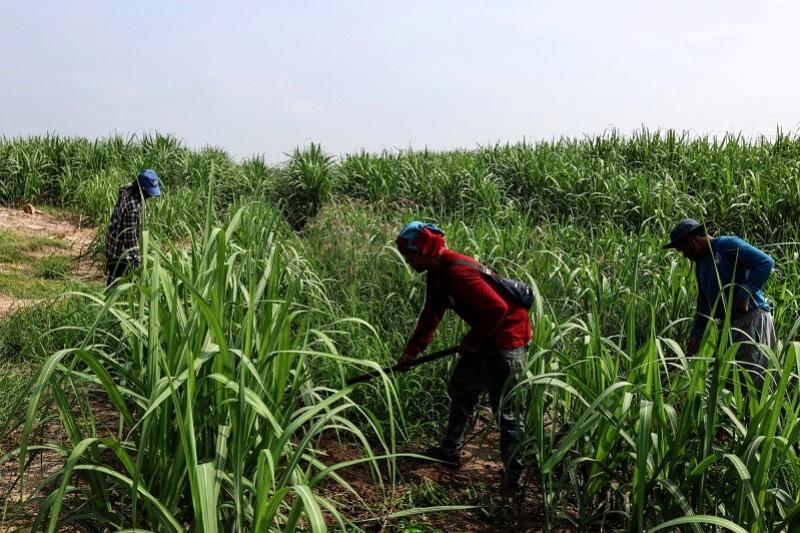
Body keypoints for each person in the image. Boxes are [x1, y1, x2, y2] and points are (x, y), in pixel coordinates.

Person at [395, 221, 532, 491]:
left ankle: (515, 481)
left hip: (507, 340)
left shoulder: (458, 272)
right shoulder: (437, 273)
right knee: (462, 386)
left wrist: (471, 342)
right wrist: (412, 352)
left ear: (423, 250)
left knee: (508, 412)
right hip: (486, 336)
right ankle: (450, 449)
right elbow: (432, 312)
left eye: (409, 254)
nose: (407, 260)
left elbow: (497, 309)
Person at [663, 218, 775, 391]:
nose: (684, 255)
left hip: (752, 319)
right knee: (731, 384)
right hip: (731, 327)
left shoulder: (726, 245)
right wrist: (696, 335)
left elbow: (765, 263)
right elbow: (703, 304)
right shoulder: (700, 266)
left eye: (682, 249)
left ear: (692, 240)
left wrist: (743, 295)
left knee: (753, 382)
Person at [105, 169, 161, 285]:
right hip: (119, 251)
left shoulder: (128, 188)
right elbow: (130, 240)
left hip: (111, 238)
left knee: (113, 279)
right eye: (149, 192)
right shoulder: (133, 208)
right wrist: (139, 262)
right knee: (119, 284)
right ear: (142, 189)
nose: (151, 196)